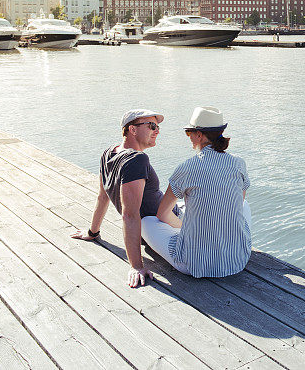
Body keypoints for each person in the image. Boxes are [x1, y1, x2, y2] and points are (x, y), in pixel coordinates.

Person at [141, 106, 252, 278]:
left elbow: (162, 214)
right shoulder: (239, 163)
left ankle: (188, 231)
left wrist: (184, 229)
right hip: (237, 259)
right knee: (244, 205)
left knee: (146, 222)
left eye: (189, 133)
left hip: (194, 263)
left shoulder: (187, 167)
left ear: (199, 135)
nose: (189, 138)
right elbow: (237, 204)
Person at [71, 109, 166, 288]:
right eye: (152, 126)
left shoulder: (109, 153)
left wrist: (93, 232)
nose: (157, 130)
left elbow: (102, 196)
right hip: (164, 223)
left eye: (158, 126)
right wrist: (136, 266)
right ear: (133, 129)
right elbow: (129, 215)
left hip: (154, 224)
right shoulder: (137, 159)